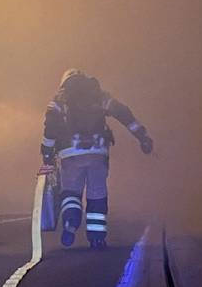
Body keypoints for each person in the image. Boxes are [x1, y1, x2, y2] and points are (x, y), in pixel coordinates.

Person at [38, 68, 153, 249]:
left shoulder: (59, 100)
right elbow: (123, 113)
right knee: (97, 195)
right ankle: (97, 238)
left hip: (70, 153)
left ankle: (70, 224)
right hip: (98, 153)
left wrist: (46, 152)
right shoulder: (99, 95)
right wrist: (142, 136)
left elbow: (50, 127)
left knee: (71, 194)